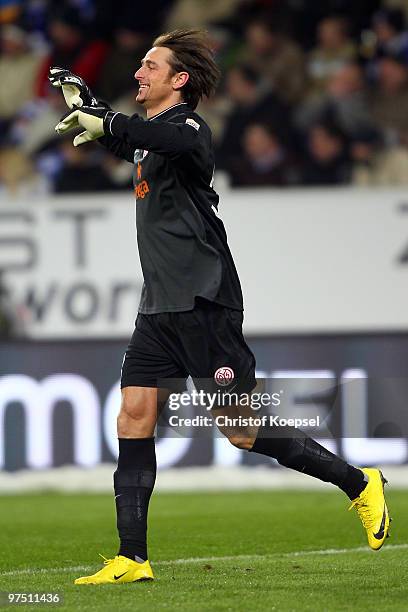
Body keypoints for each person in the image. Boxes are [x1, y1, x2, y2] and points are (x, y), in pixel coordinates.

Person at [50, 29, 391, 586]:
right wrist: (90, 108)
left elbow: (144, 137)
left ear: (178, 80)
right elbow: (126, 139)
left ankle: (359, 484)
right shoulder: (149, 135)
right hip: (158, 306)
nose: (138, 73)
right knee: (133, 417)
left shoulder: (187, 129)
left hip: (204, 299)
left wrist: (106, 121)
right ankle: (132, 557)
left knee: (239, 430)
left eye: (150, 66)